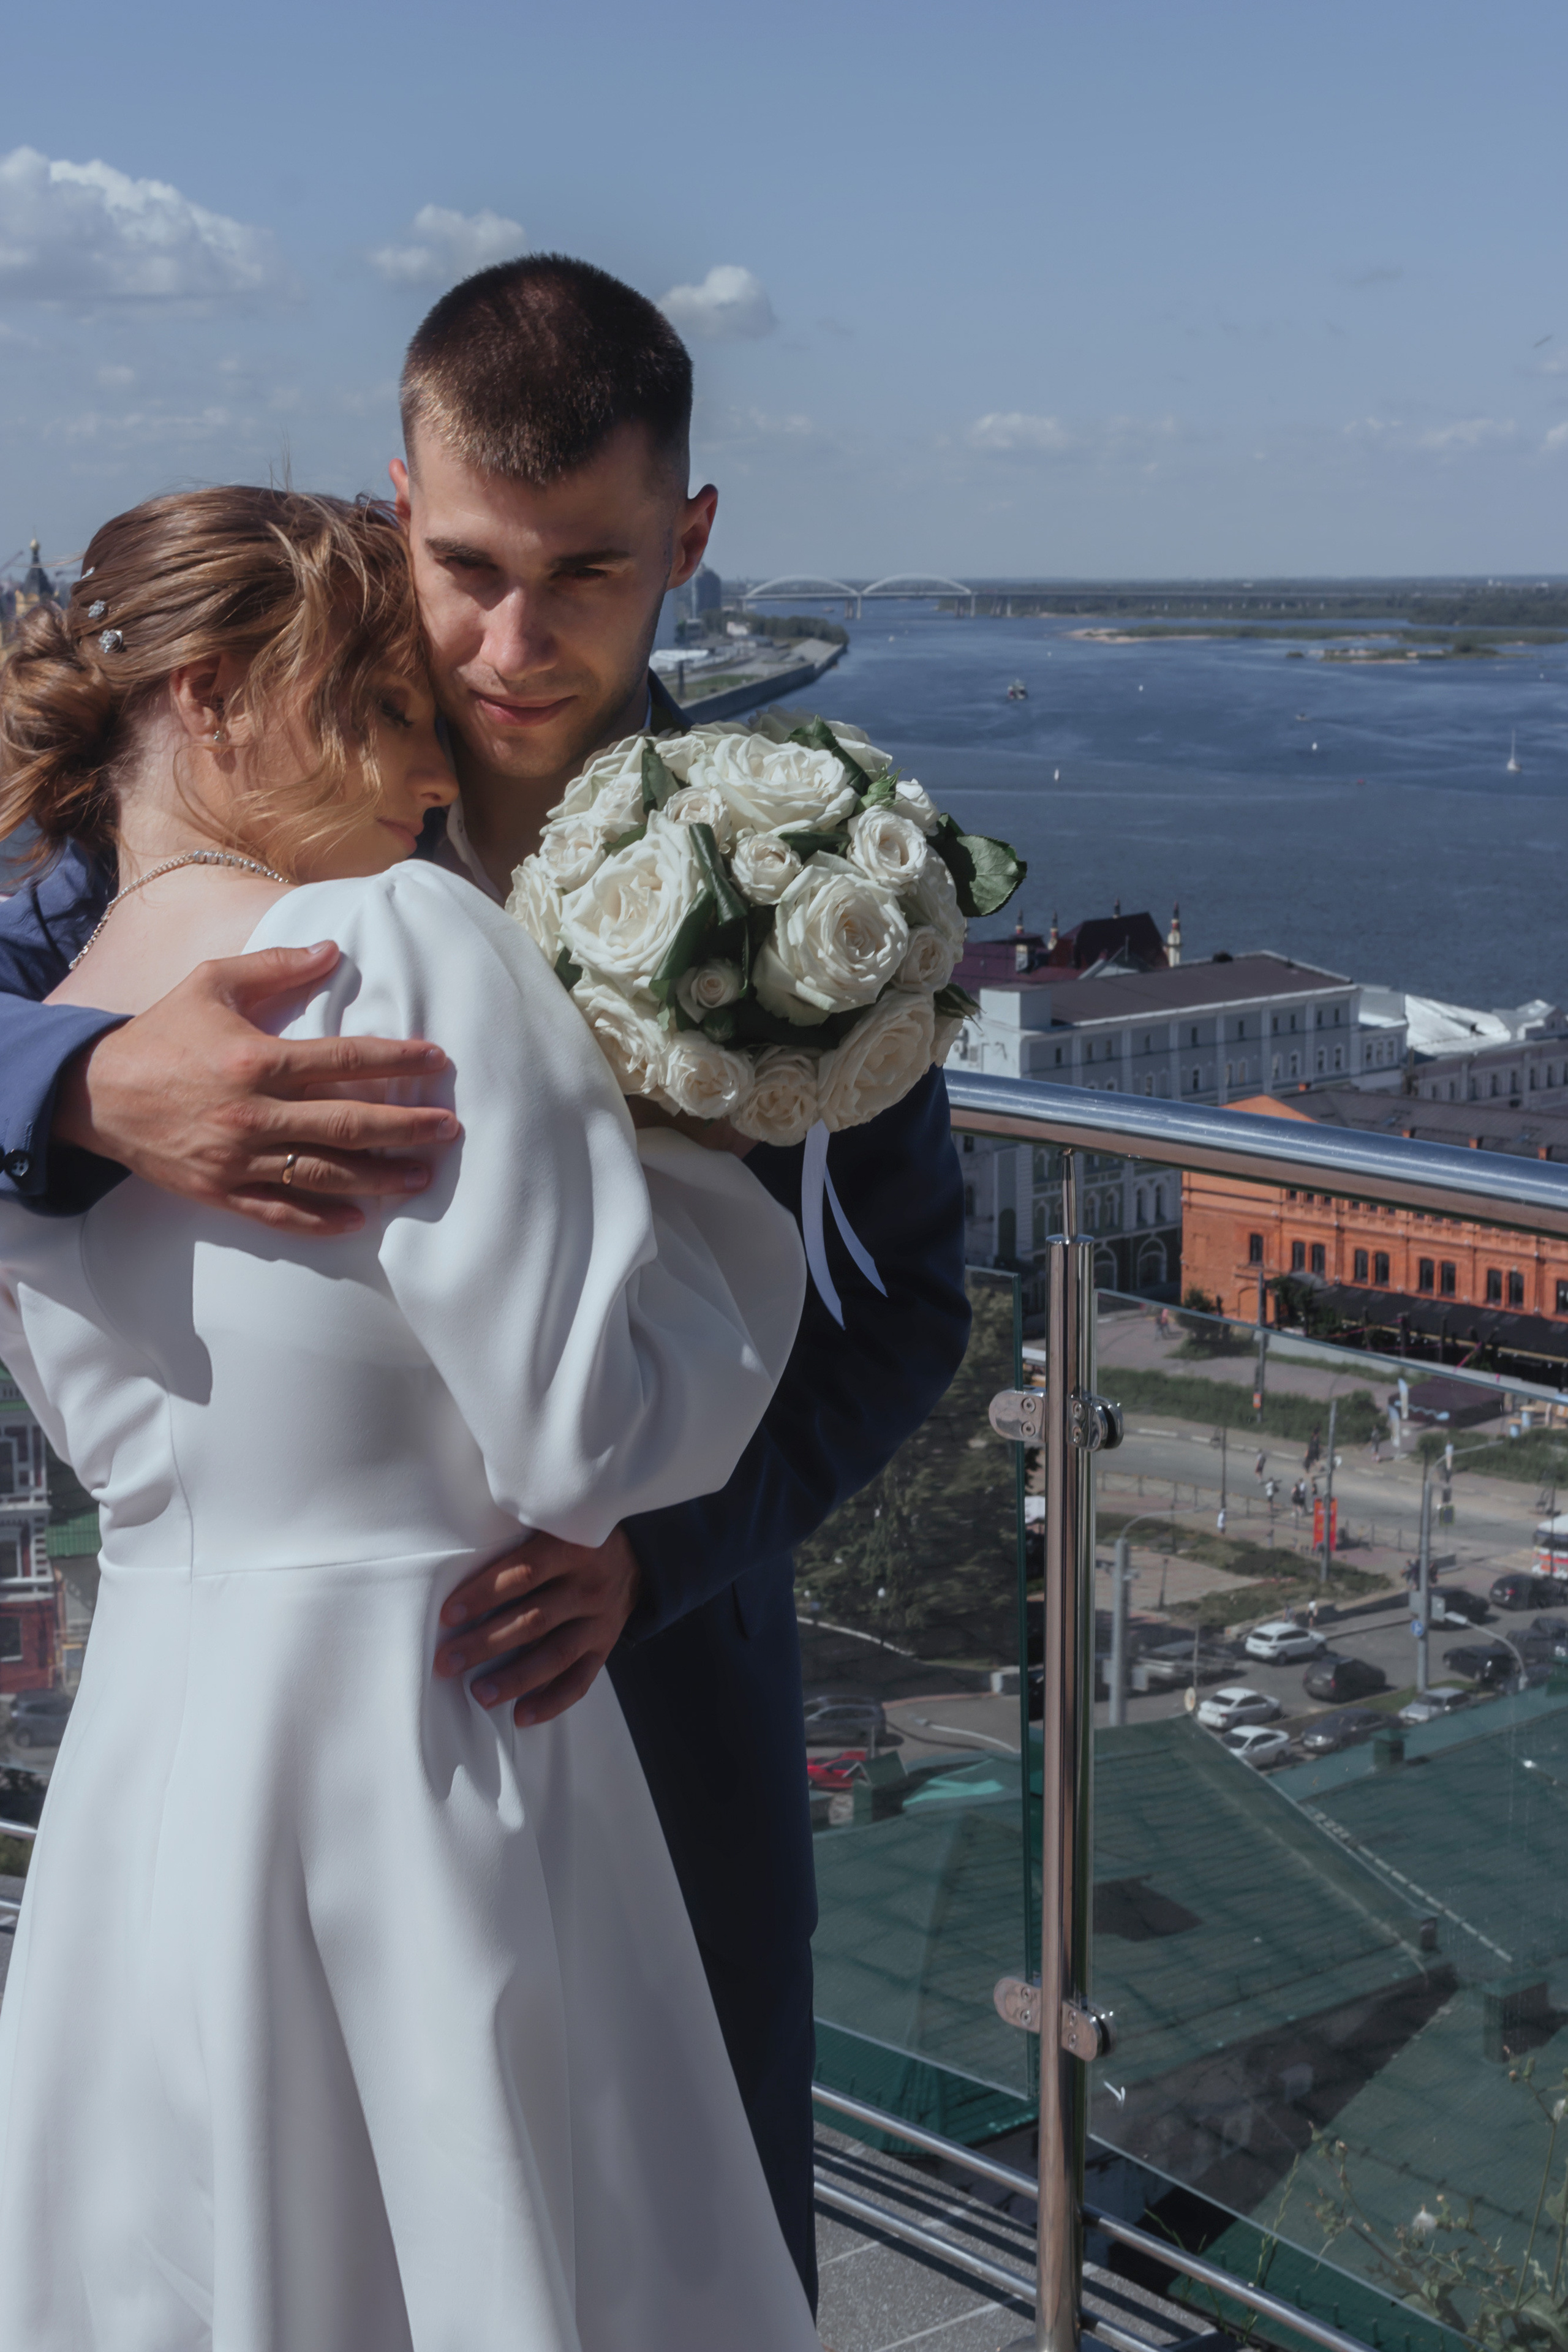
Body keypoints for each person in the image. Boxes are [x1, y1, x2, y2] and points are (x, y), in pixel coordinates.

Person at [0, 257, 971, 2308]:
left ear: (691, 542)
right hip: (281, 1739)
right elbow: (40, 974)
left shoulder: (799, 878)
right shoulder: (260, 753)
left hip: (658, 1711)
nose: (508, 646)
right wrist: (85, 1083)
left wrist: (668, 1547)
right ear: (395, 500)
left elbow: (903, 1301)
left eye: (590, 573)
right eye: (460, 567)